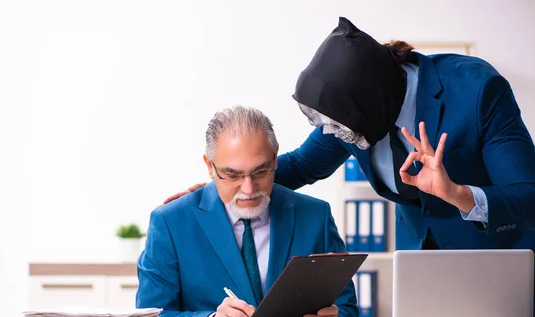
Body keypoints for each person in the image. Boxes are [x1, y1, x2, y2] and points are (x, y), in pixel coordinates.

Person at [166, 17, 535, 254]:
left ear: (371, 102)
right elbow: (298, 167)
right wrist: (216, 189)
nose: (333, 134)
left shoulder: (476, 90)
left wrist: (455, 193)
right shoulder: (349, 118)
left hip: (500, 255)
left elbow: (527, 197)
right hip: (421, 263)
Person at [137, 106, 358, 317]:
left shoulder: (315, 216)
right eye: (232, 175)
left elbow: (347, 313)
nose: (249, 189)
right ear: (209, 166)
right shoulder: (171, 222)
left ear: (275, 158)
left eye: (261, 171)